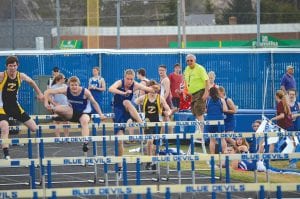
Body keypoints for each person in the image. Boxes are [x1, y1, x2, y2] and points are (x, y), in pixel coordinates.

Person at [44, 76, 106, 154]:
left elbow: (94, 103)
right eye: (72, 85)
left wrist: (101, 114)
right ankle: (63, 118)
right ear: (69, 85)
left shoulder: (85, 92)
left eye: (76, 85)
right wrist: (46, 103)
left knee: (84, 121)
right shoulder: (66, 90)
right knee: (56, 109)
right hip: (72, 112)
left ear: (79, 85)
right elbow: (47, 92)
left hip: (84, 113)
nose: (74, 87)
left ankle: (85, 142)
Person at [108, 69, 154, 172]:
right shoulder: (120, 82)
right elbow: (110, 88)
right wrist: (123, 92)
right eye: (128, 79)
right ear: (125, 78)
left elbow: (147, 88)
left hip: (129, 109)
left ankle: (141, 123)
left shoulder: (135, 84)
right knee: (119, 141)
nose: (129, 81)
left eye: (131, 79)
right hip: (119, 111)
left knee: (127, 102)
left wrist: (154, 88)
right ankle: (120, 166)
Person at [0, 56, 44, 159]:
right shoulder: (2, 76)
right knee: (5, 127)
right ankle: (6, 153)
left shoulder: (21, 76)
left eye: (14, 66)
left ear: (17, 66)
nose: (12, 68)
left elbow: (32, 82)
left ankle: (38, 157)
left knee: (34, 128)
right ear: (6, 66)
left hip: (15, 107)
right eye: (10, 66)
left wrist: (39, 93)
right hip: (2, 107)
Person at [135, 80, 172, 170]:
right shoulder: (144, 98)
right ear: (148, 89)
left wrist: (168, 113)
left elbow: (168, 109)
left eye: (155, 88)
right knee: (149, 141)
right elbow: (134, 103)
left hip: (158, 123)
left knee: (155, 144)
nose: (153, 90)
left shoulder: (160, 98)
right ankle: (149, 160)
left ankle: (154, 161)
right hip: (147, 123)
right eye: (151, 88)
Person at [183, 54, 209, 134]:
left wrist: (206, 92)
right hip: (192, 94)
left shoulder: (200, 68)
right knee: (194, 111)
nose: (189, 62)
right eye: (188, 61)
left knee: (199, 111)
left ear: (195, 61)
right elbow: (186, 82)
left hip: (200, 92)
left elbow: (206, 80)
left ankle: (200, 131)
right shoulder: (186, 69)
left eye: (191, 60)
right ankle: (198, 130)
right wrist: (185, 92)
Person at [206, 87, 228, 154]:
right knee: (222, 138)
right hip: (219, 120)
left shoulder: (208, 100)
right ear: (217, 92)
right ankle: (224, 152)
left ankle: (212, 154)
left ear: (209, 93)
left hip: (210, 120)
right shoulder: (221, 100)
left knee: (212, 140)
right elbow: (225, 110)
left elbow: (205, 110)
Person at [48, 73, 69, 138]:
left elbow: (69, 96)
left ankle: (66, 137)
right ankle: (58, 138)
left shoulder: (65, 86)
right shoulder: (53, 87)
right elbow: (48, 97)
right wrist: (54, 104)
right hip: (57, 107)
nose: (65, 79)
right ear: (59, 80)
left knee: (66, 122)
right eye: (63, 78)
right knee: (57, 122)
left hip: (65, 106)